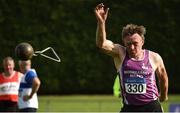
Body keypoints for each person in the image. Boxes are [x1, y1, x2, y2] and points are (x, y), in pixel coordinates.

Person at [94, 3, 168, 112]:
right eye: (128, 44)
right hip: (130, 108)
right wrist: (101, 22)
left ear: (142, 42)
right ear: (124, 42)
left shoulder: (154, 57)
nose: (132, 47)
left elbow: (163, 77)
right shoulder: (120, 53)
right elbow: (102, 44)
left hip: (151, 107)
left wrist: (163, 96)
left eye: (135, 43)